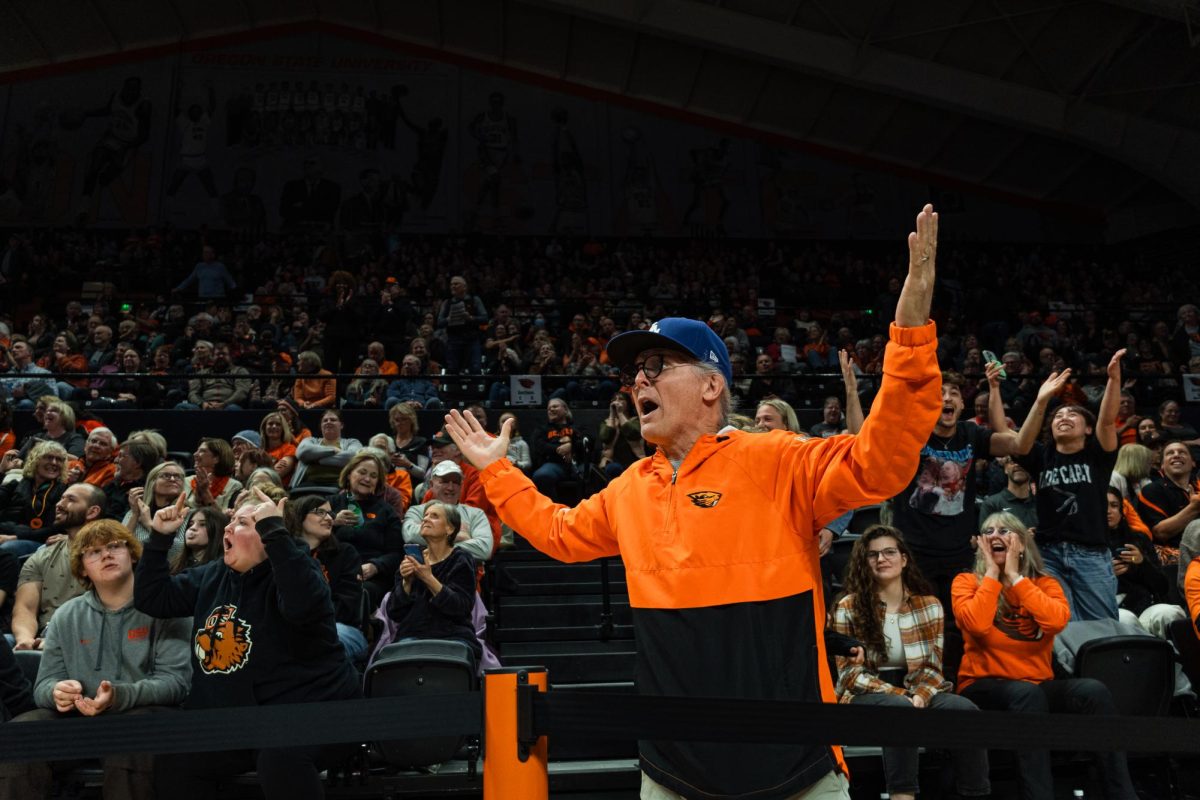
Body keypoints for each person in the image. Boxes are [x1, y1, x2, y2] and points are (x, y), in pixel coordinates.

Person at [442, 205, 944, 800]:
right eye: (633, 375)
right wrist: (495, 470)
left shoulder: (777, 458)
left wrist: (909, 341)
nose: (639, 382)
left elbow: (880, 463)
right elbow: (555, 532)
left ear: (712, 384)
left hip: (798, 768)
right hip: (672, 773)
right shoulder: (630, 488)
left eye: (657, 366)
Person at [136, 490, 362, 799]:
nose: (227, 529)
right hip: (238, 722)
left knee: (281, 756)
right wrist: (160, 540)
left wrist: (276, 533)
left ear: (268, 536)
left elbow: (302, 606)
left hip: (314, 714)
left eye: (242, 523)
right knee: (178, 756)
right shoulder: (214, 574)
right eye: (232, 520)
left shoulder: (298, 570)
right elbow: (153, 598)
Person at [0, 519, 190, 800]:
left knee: (128, 739)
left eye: (115, 546)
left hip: (145, 714)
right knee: (20, 735)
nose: (106, 555)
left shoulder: (167, 605)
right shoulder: (66, 615)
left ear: (133, 554)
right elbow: (42, 687)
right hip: (79, 718)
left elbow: (177, 684)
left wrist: (119, 696)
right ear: (82, 568)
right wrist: (57, 693)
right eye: (93, 552)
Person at [953, 513, 1137, 800]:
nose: (994, 535)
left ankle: (1121, 794)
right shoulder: (965, 582)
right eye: (988, 531)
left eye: (1004, 530)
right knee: (1027, 695)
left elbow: (1055, 622)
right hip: (983, 685)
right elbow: (976, 624)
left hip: (1036, 684)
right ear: (980, 543)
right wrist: (992, 574)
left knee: (1093, 690)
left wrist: (1015, 578)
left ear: (1022, 543)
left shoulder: (1045, 584)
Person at [831, 526, 989, 800]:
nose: (881, 559)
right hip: (865, 696)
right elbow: (849, 675)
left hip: (917, 689)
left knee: (966, 710)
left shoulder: (929, 605)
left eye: (889, 552)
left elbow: (932, 668)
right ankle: (902, 796)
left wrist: (920, 695)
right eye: (872, 555)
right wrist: (903, 696)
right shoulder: (848, 606)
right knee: (898, 710)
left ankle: (974, 793)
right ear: (863, 563)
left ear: (904, 559)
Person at [1012, 350, 1127, 621]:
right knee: (1060, 626)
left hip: (1091, 553)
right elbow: (1021, 445)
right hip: (1049, 554)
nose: (1063, 417)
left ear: (1088, 429)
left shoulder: (1097, 456)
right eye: (1058, 415)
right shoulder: (1043, 456)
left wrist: (1113, 381)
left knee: (1102, 626)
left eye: (1072, 414)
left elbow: (1107, 420)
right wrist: (1041, 403)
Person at [11, 484, 107, 651]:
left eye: (70, 499)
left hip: (93, 638)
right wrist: (25, 639)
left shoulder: (111, 555)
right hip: (42, 637)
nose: (59, 504)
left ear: (92, 512)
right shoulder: (41, 556)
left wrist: (60, 640)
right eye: (61, 498)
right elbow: (25, 607)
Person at [386, 501, 480, 665]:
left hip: (453, 636)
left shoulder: (461, 559)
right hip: (411, 636)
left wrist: (428, 578)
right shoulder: (411, 559)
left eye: (434, 516)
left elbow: (461, 607)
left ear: (450, 529)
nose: (426, 519)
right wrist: (406, 583)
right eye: (425, 516)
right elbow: (395, 613)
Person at [285, 495, 366, 664]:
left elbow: (347, 608)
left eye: (330, 514)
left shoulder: (345, 554)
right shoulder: (285, 555)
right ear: (299, 516)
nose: (328, 518)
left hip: (339, 626)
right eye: (320, 512)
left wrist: (308, 621)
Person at [1104, 487, 1183, 637]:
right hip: (1113, 607)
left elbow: (1162, 586)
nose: (1109, 511)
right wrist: (1108, 575)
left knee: (1168, 613)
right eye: (1103, 505)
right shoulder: (1086, 545)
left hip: (1146, 605)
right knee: (1124, 619)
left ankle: (1172, 657)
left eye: (1114, 506)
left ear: (1122, 510)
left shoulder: (1139, 539)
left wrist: (1141, 563)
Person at [329, 450, 403, 608]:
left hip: (369, 577)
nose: (367, 479)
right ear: (349, 474)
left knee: (356, 594)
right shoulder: (330, 504)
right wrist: (332, 522)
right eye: (362, 472)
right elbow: (308, 537)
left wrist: (376, 566)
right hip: (331, 571)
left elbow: (396, 553)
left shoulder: (386, 511)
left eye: (374, 476)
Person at [403, 460, 494, 562]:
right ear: (431, 484)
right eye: (444, 481)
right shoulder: (417, 511)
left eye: (455, 482)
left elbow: (484, 549)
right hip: (424, 573)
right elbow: (410, 535)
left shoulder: (476, 514)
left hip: (465, 574)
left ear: (461, 486)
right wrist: (457, 535)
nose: (450, 487)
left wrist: (435, 545)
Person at [0, 441, 68, 556]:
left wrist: (15, 537)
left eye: (59, 459)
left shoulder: (64, 492)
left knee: (6, 548)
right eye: (49, 457)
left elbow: (53, 529)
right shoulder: (16, 484)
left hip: (37, 542)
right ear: (35, 460)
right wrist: (1, 472)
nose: (54, 463)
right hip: (5, 533)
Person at [124, 461, 189, 559]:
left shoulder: (187, 513)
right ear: (152, 482)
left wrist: (149, 524)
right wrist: (135, 514)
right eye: (166, 475)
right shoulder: (136, 511)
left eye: (178, 477)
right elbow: (119, 543)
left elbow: (178, 551)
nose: (173, 479)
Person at [531, 397, 586, 501]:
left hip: (578, 463)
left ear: (565, 410)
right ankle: (553, 512)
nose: (551, 409)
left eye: (555, 406)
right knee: (541, 475)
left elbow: (588, 441)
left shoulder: (577, 427)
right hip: (554, 464)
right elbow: (539, 446)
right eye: (549, 408)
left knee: (592, 474)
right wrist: (559, 449)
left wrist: (571, 447)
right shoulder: (543, 429)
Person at [292, 410, 362, 487]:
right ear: (321, 426)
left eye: (333, 420)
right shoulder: (311, 440)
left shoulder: (352, 442)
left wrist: (316, 459)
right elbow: (302, 452)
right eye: (325, 420)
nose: (328, 422)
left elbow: (352, 457)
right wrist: (333, 450)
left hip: (340, 485)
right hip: (309, 484)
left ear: (341, 425)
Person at [978, 456, 1037, 532]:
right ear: (1005, 469)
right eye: (1012, 461)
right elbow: (986, 539)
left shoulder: (1042, 504)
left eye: (1023, 461)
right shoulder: (991, 504)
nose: (1017, 464)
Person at [183, 438, 243, 509]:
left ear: (216, 459)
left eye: (202, 451)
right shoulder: (186, 481)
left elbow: (224, 518)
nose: (195, 454)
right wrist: (197, 496)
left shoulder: (234, 486)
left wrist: (205, 492)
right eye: (197, 450)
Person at [598, 391, 644, 481]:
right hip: (611, 461)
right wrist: (612, 415)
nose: (617, 402)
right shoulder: (606, 422)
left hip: (634, 459)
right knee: (613, 468)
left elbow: (633, 433)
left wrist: (620, 414)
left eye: (621, 399)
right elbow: (605, 437)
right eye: (614, 399)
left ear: (628, 403)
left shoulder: (636, 420)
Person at [170, 505, 227, 574]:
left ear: (217, 531)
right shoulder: (176, 563)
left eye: (202, 524)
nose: (192, 528)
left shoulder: (220, 569)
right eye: (190, 524)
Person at [259, 412, 299, 486]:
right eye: (270, 424)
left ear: (283, 429)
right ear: (264, 428)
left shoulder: (289, 448)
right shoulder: (259, 452)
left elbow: (277, 474)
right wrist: (273, 467)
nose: (274, 426)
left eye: (278, 424)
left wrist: (260, 472)